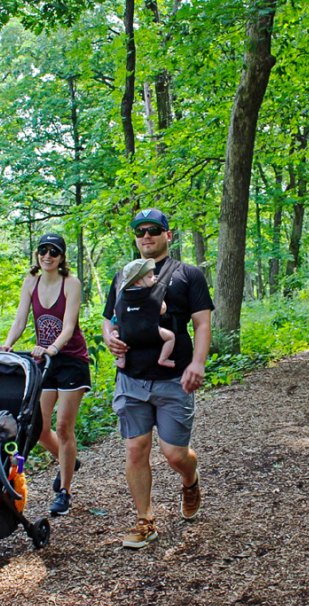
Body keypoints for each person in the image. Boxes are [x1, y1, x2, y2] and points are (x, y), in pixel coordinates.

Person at [102, 208, 214, 549]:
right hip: (132, 378)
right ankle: (145, 520)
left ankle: (190, 479)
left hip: (173, 379)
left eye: (153, 230)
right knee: (136, 449)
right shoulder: (124, 276)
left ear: (168, 234)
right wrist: (108, 337)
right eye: (139, 232)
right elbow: (109, 318)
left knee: (174, 453)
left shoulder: (187, 275)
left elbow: (202, 323)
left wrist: (197, 363)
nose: (145, 236)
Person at [0, 233, 89, 517]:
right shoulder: (31, 282)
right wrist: (8, 343)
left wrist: (52, 348)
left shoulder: (71, 284)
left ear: (62, 258)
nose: (47, 256)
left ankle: (65, 492)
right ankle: (68, 461)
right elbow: (21, 319)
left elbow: (69, 326)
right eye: (42, 251)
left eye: (53, 252)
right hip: (44, 360)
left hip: (70, 359)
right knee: (37, 427)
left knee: (63, 427)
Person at [112, 258, 176, 370]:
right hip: (149, 332)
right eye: (150, 276)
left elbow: (116, 314)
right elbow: (162, 310)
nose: (154, 278)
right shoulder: (151, 294)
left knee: (118, 341)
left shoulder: (122, 296)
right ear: (137, 282)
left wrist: (114, 331)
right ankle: (163, 359)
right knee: (170, 337)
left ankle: (121, 360)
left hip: (127, 335)